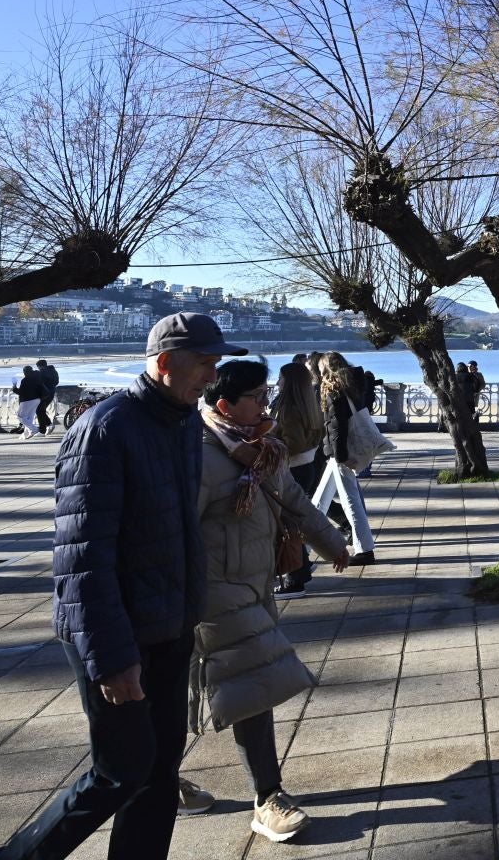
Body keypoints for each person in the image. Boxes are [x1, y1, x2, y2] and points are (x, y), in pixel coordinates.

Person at [0, 313, 244, 860]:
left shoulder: (185, 420)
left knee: (161, 770)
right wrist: (112, 658)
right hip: (117, 631)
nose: (212, 377)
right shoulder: (104, 429)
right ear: (165, 364)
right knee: (121, 769)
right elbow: (81, 558)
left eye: (216, 364)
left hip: (170, 624)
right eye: (204, 364)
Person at [178, 359, 349, 845]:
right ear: (225, 403)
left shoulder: (263, 451)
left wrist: (332, 543)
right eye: (256, 396)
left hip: (256, 587)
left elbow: (294, 502)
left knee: (208, 690)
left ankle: (162, 779)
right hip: (213, 595)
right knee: (250, 687)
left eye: (266, 392)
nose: (266, 403)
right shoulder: (201, 455)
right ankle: (268, 798)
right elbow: (175, 531)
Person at [272, 355, 327, 598]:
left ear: (290, 381)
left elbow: (292, 443)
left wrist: (268, 442)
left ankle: (295, 577)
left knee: (287, 525)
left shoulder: (289, 408)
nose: (277, 382)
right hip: (307, 467)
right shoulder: (309, 404)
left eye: (281, 378)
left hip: (293, 468)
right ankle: (301, 567)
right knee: (293, 521)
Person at [315, 353, 376, 562]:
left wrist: (340, 456)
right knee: (319, 502)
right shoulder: (352, 386)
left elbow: (336, 427)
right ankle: (302, 548)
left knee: (351, 501)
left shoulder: (335, 391)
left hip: (340, 454)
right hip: (340, 453)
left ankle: (365, 549)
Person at [15, 365, 46, 440]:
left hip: (27, 400)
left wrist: (14, 388)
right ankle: (26, 433)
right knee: (29, 417)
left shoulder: (25, 380)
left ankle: (34, 430)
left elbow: (22, 392)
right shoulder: (37, 378)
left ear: (25, 372)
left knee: (20, 416)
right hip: (37, 399)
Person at [36, 359, 61, 435]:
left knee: (39, 410)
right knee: (41, 410)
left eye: (38, 367)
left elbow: (39, 383)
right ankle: (49, 425)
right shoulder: (54, 371)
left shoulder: (42, 372)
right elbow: (56, 382)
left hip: (43, 394)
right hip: (51, 393)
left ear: (40, 366)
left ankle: (42, 430)